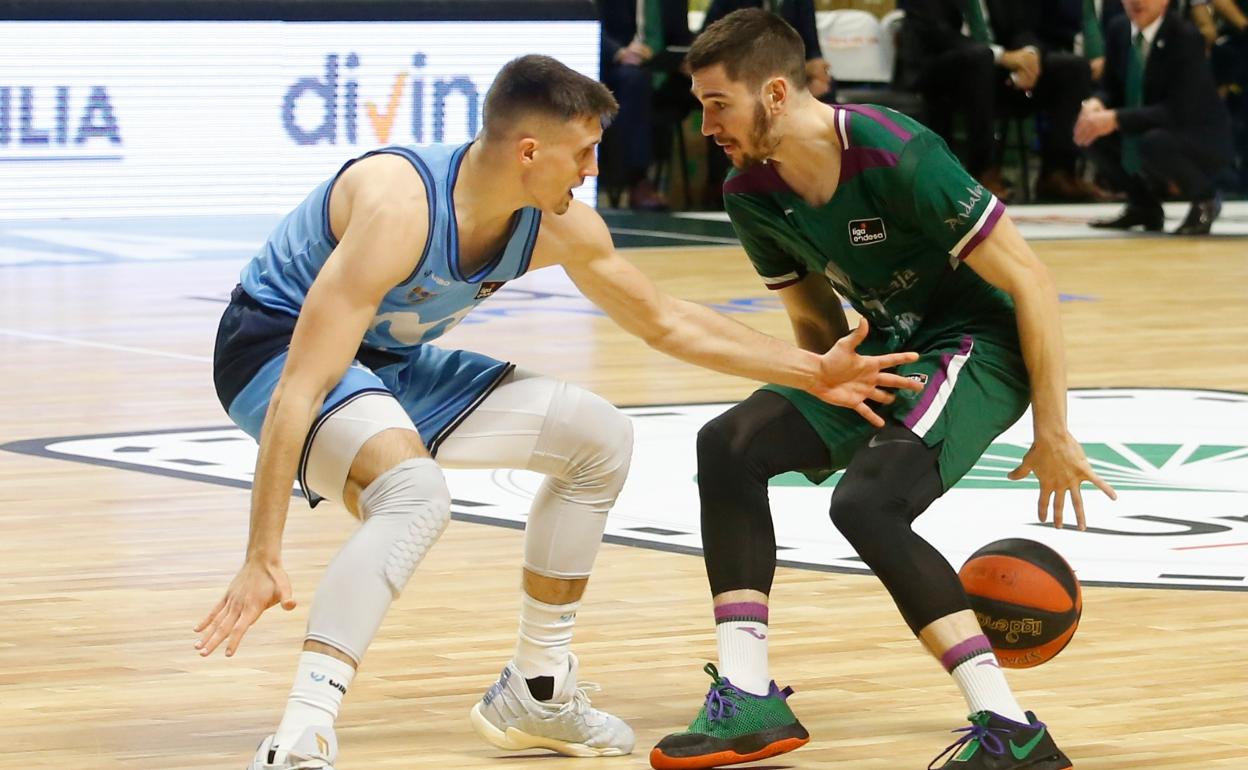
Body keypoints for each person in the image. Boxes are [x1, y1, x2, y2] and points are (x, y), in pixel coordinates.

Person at [195, 54, 920, 770]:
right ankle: (301, 735)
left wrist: (815, 371)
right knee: (414, 494)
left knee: (597, 436)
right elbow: (298, 388)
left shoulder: (555, 220)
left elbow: (666, 321)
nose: (593, 170)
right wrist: (261, 554)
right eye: (584, 152)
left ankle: (535, 689)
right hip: (273, 351)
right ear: (530, 151)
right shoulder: (399, 206)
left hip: (389, 362)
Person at [650, 11, 1117, 770]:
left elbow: (1031, 279)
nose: (706, 126)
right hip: (889, 351)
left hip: (980, 348)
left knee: (865, 503)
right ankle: (747, 698)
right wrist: (831, 405)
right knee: (727, 446)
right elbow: (813, 321)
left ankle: (1012, 731)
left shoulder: (896, 151)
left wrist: (1054, 429)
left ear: (773, 92)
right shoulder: (749, 190)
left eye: (716, 103)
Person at [901, 0, 1099, 202]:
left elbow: (1021, 28)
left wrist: (1029, 54)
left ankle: (1058, 172)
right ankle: (982, 171)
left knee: (1073, 68)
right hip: (940, 71)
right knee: (980, 58)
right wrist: (1002, 56)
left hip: (992, 71)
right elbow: (937, 34)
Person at [1075, 0, 1234, 235]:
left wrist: (1115, 118)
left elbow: (1178, 110)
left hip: (1197, 134)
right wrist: (1096, 104)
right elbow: (1109, 85)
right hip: (1147, 122)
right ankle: (1143, 205)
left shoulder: (1185, 36)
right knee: (1088, 132)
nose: (1137, 2)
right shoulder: (1119, 28)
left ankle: (1205, 199)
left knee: (1154, 142)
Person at [599, 0, 695, 210]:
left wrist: (690, 58)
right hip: (616, 69)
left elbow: (682, 37)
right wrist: (620, 53)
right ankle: (638, 179)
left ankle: (725, 183)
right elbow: (592, 27)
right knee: (635, 80)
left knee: (713, 81)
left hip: (663, 70)